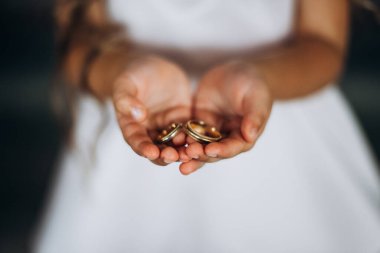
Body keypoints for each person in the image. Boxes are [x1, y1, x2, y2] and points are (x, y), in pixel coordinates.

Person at [34, 0, 380, 252]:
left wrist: (262, 78)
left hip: (281, 121)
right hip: (134, 117)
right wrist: (122, 73)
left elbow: (324, 44)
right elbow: (77, 46)